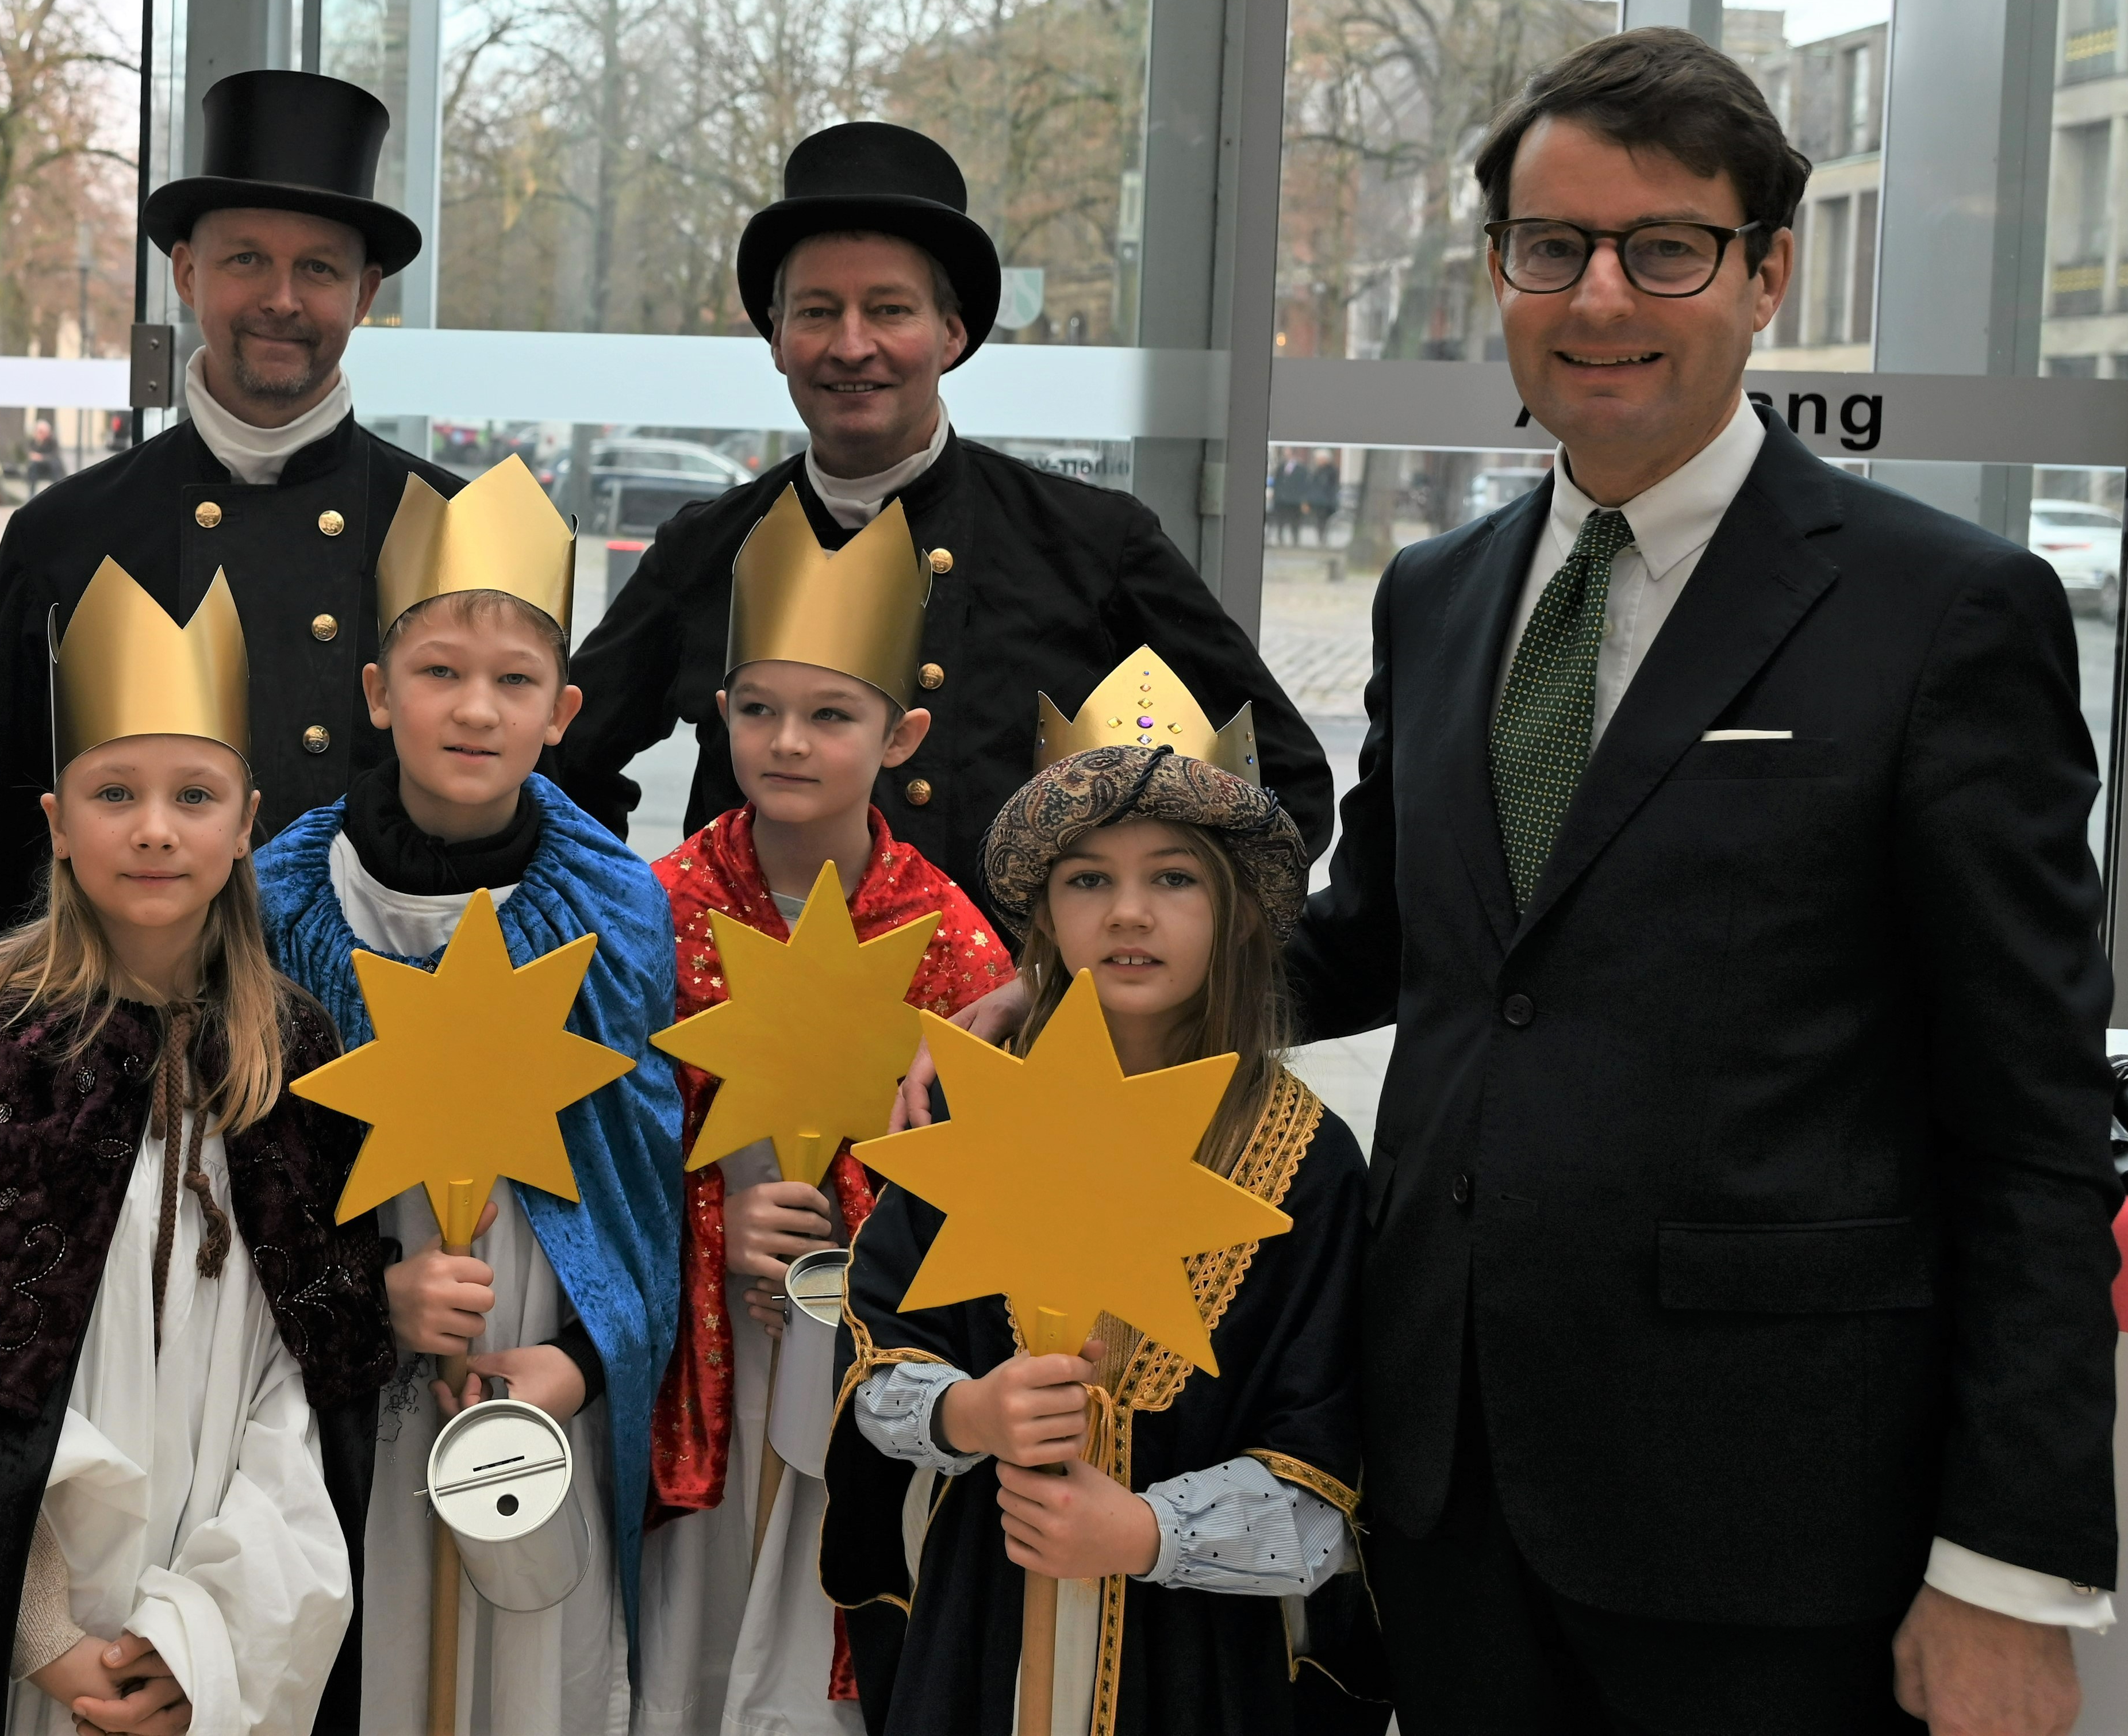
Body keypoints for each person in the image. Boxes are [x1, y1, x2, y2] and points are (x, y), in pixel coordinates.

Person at [1288, 28, 2124, 1735]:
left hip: (1781, 1532)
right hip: (1443, 1488)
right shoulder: (1438, 596)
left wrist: (2008, 1568)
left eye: (1661, 247)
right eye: (1550, 246)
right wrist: (1069, 1006)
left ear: (1764, 278)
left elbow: (2028, 1116)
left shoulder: (1940, 611)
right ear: (1498, 271)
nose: (1598, 297)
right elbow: (1369, 944)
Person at [0, 562, 393, 1736]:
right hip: (31, 1634)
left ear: (248, 822)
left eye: (194, 796)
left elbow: (311, 1375)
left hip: (227, 1615)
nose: (152, 829)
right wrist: (50, 1639)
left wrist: (213, 1631)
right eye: (113, 793)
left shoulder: (292, 1048)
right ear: (55, 821)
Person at [559, 120, 1330, 926]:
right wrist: (638, 927)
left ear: (953, 334)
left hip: (1015, 1041)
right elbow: (560, 760)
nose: (851, 345)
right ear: (777, 340)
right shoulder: (705, 549)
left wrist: (1125, 962)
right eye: (818, 311)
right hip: (744, 1034)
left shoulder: (1093, 544)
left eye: (889, 309)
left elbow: (1284, 780)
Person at [825, 733, 1375, 1735]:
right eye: (1089, 879)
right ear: (1041, 917)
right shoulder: (971, 1109)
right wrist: (971, 1414)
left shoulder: (1311, 1162)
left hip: (1202, 1661)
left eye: (1173, 877)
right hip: (987, 1629)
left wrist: (1144, 1529)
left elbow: (1328, 1461)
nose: (1129, 911)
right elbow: (872, 1356)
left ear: (1238, 912)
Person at [252, 458, 683, 1734]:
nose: (475, 711)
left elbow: (641, 1176)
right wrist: (362, 1296)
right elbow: (253, 1170)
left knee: (520, 1665)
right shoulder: (282, 897)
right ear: (380, 694)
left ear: (564, 710)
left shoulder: (612, 904)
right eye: (440, 673)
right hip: (350, 1332)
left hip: (527, 1329)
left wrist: (583, 1360)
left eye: (514, 682)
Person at [0, 69, 461, 989]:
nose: (282, 298)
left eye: (319, 268)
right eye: (246, 258)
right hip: (117, 1042)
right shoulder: (62, 531)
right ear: (186, 271)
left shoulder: (451, 529)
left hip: (382, 1039)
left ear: (365, 295)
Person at [634, 486, 1016, 1734]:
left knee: (815, 1629)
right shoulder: (661, 908)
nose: (786, 741)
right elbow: (614, 1136)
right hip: (704, 1356)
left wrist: (845, 1247)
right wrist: (716, 1222)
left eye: (829, 715)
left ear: (900, 734)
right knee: (689, 1642)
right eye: (757, 710)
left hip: (847, 1356)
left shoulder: (949, 942)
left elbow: (975, 1171)